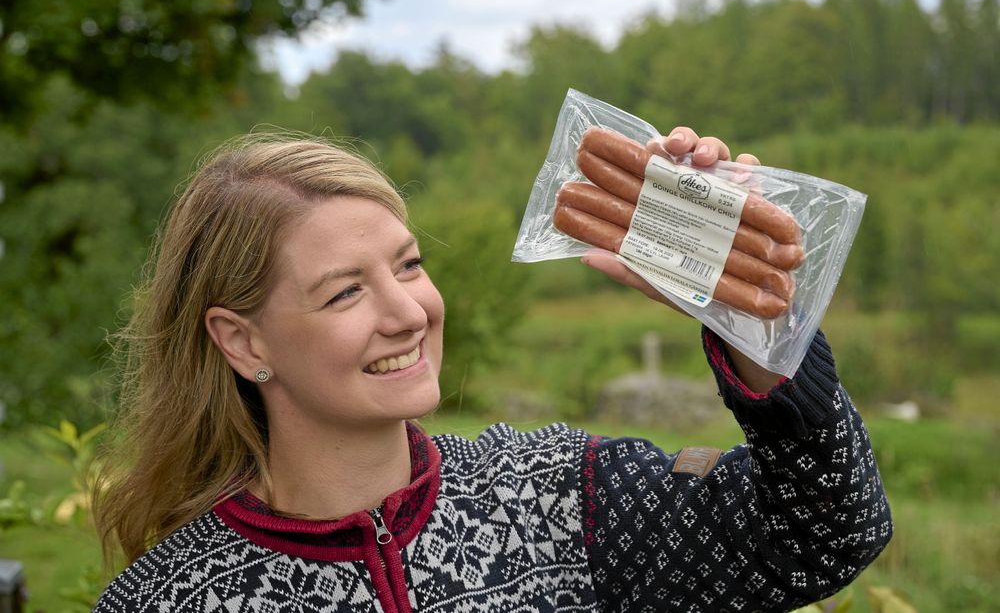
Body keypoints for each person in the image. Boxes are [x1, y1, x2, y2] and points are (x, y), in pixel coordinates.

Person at [92, 129, 892, 612]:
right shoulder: (165, 599)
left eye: (408, 265)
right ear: (243, 343)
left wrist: (752, 322)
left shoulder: (554, 496)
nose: (408, 312)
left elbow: (825, 534)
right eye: (345, 292)